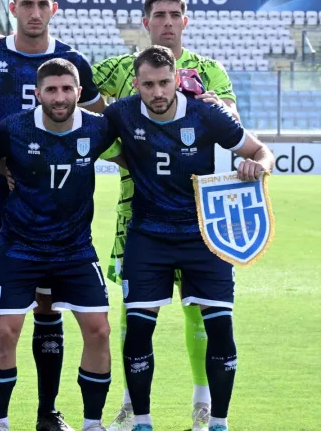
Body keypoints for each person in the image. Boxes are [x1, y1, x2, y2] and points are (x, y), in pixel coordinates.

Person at [0, 0, 104, 431]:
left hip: (57, 204)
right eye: (26, 4)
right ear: (13, 9)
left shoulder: (73, 61)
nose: (34, 12)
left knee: (48, 306)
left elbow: (95, 115)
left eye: (42, 4)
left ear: (53, 9)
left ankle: (48, 411)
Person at [101, 45, 272, 431]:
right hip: (147, 236)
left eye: (164, 83)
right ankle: (142, 421)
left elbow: (262, 151)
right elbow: (81, 135)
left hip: (204, 238)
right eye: (148, 84)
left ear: (177, 78)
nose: (157, 92)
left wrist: (256, 165)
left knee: (220, 326)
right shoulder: (121, 113)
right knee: (140, 326)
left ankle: (218, 423)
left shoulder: (206, 113)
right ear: (137, 84)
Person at [93, 0, 239, 431]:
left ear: (186, 21)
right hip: (136, 206)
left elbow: (232, 118)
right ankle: (129, 403)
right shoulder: (119, 68)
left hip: (199, 211)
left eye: (176, 14)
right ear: (146, 22)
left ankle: (203, 401)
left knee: (201, 308)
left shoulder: (209, 70)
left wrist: (221, 107)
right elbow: (74, 84)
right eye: (160, 15)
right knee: (134, 307)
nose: (169, 22)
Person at [0, 59, 117, 431]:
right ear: (37, 94)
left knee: (99, 330)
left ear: (79, 93)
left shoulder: (98, 128)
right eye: (51, 90)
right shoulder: (12, 129)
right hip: (20, 246)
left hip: (75, 248)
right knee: (6, 330)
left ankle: (92, 423)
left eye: (67, 89)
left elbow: (131, 145)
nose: (59, 97)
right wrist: (8, 172)